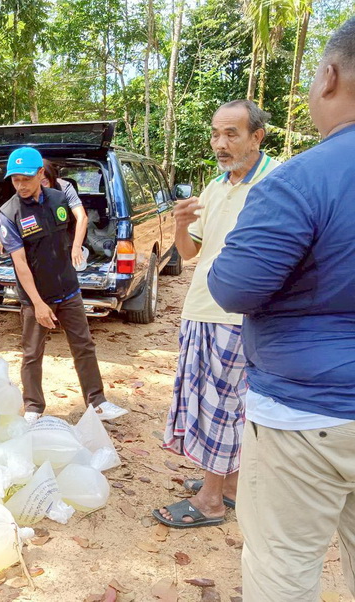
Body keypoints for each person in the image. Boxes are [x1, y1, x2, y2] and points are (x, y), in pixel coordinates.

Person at [208, 18, 355, 601]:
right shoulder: (224, 187)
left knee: (283, 568)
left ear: (329, 77)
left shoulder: (299, 181)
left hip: (306, 415)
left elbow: (233, 286)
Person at [153, 100, 279, 529]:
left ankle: (209, 500)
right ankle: (229, 486)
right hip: (202, 309)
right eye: (215, 134)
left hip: (240, 314)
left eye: (231, 134)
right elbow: (190, 254)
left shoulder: (276, 182)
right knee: (212, 402)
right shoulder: (216, 186)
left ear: (256, 137)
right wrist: (179, 224)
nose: (220, 144)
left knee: (223, 407)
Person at [0, 147, 122, 424]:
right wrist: (38, 303)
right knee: (32, 353)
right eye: (15, 180)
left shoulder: (58, 198)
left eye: (26, 179)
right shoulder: (9, 213)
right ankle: (33, 407)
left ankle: (97, 402)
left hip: (68, 289)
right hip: (36, 297)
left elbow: (72, 231)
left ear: (40, 173)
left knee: (84, 346)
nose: (20, 185)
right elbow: (20, 263)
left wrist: (76, 249)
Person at [0, 159, 80, 256]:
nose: (39, 186)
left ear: (51, 177)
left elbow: (81, 217)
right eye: (16, 180)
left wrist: (76, 248)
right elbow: (17, 216)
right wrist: (4, 238)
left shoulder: (63, 189)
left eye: (44, 181)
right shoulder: (26, 195)